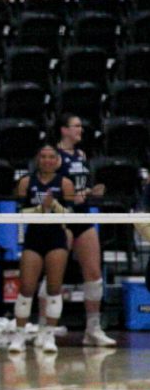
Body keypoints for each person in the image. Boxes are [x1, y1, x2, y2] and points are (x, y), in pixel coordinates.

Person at [56, 114, 115, 347]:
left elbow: (83, 186)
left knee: (93, 273)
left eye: (81, 125)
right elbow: (43, 189)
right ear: (64, 130)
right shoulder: (53, 156)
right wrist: (68, 197)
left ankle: (93, 329)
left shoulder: (81, 155)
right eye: (76, 126)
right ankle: (45, 327)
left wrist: (92, 191)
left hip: (81, 215)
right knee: (54, 274)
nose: (80, 129)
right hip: (62, 218)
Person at [10, 145, 75, 354]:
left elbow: (69, 215)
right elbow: (20, 212)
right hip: (34, 237)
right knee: (27, 287)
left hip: (56, 237)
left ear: (57, 161)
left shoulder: (65, 184)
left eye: (51, 157)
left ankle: (48, 335)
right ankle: (19, 335)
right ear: (38, 160)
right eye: (43, 156)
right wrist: (41, 208)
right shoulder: (26, 183)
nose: (47, 160)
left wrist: (53, 206)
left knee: (54, 287)